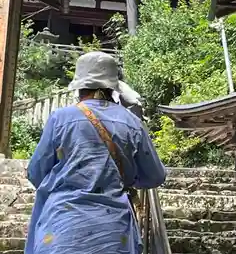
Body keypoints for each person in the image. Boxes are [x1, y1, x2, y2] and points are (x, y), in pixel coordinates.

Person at [25, 51, 167, 254]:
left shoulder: (61, 118)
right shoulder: (132, 123)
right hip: (113, 231)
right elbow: (155, 176)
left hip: (62, 229)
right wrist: (124, 178)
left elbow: (35, 172)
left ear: (79, 86)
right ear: (113, 87)